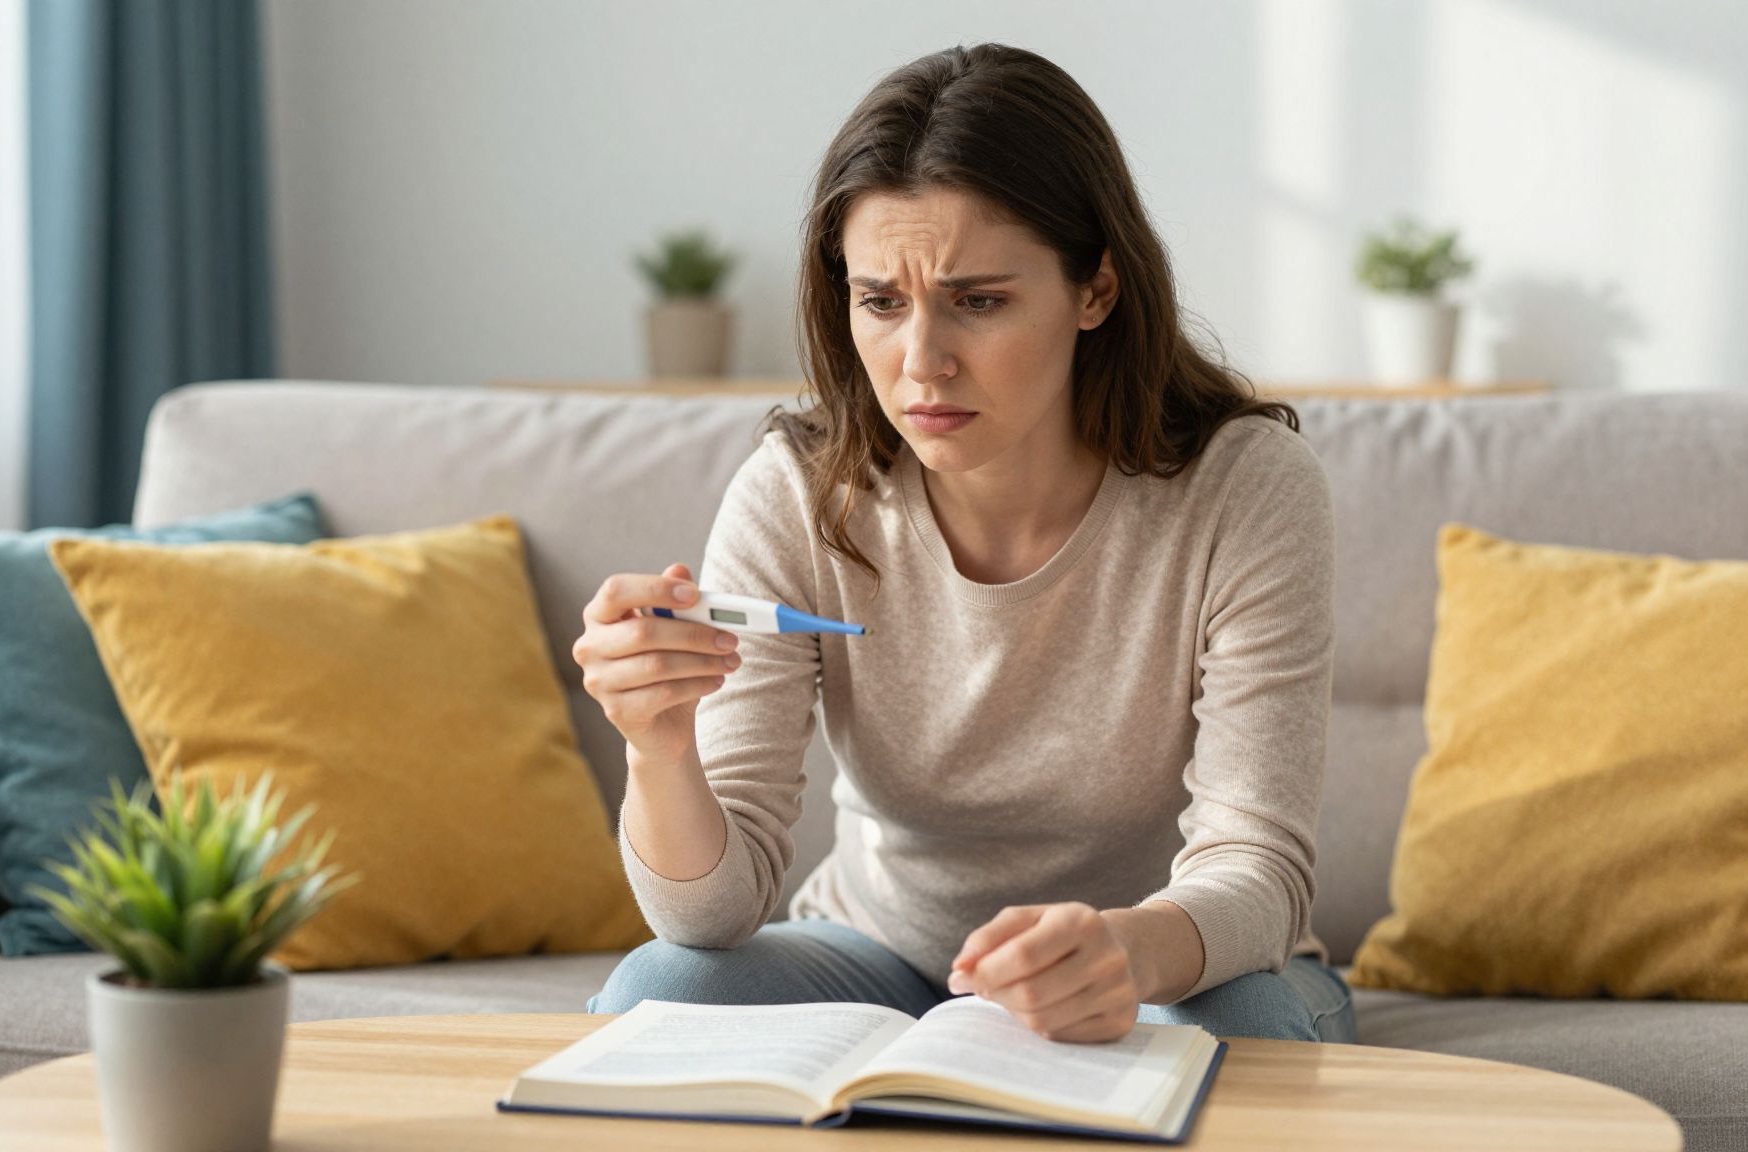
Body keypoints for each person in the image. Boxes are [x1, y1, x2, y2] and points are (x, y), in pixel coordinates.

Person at [573, 42, 1351, 1045]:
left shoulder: (1243, 490)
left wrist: (1123, 952)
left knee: (1243, 1027)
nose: (921, 363)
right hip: (882, 959)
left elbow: (1257, 866)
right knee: (661, 994)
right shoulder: (799, 495)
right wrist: (659, 747)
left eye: (978, 301)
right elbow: (709, 918)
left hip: (1171, 967)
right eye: (880, 303)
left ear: (1095, 291)